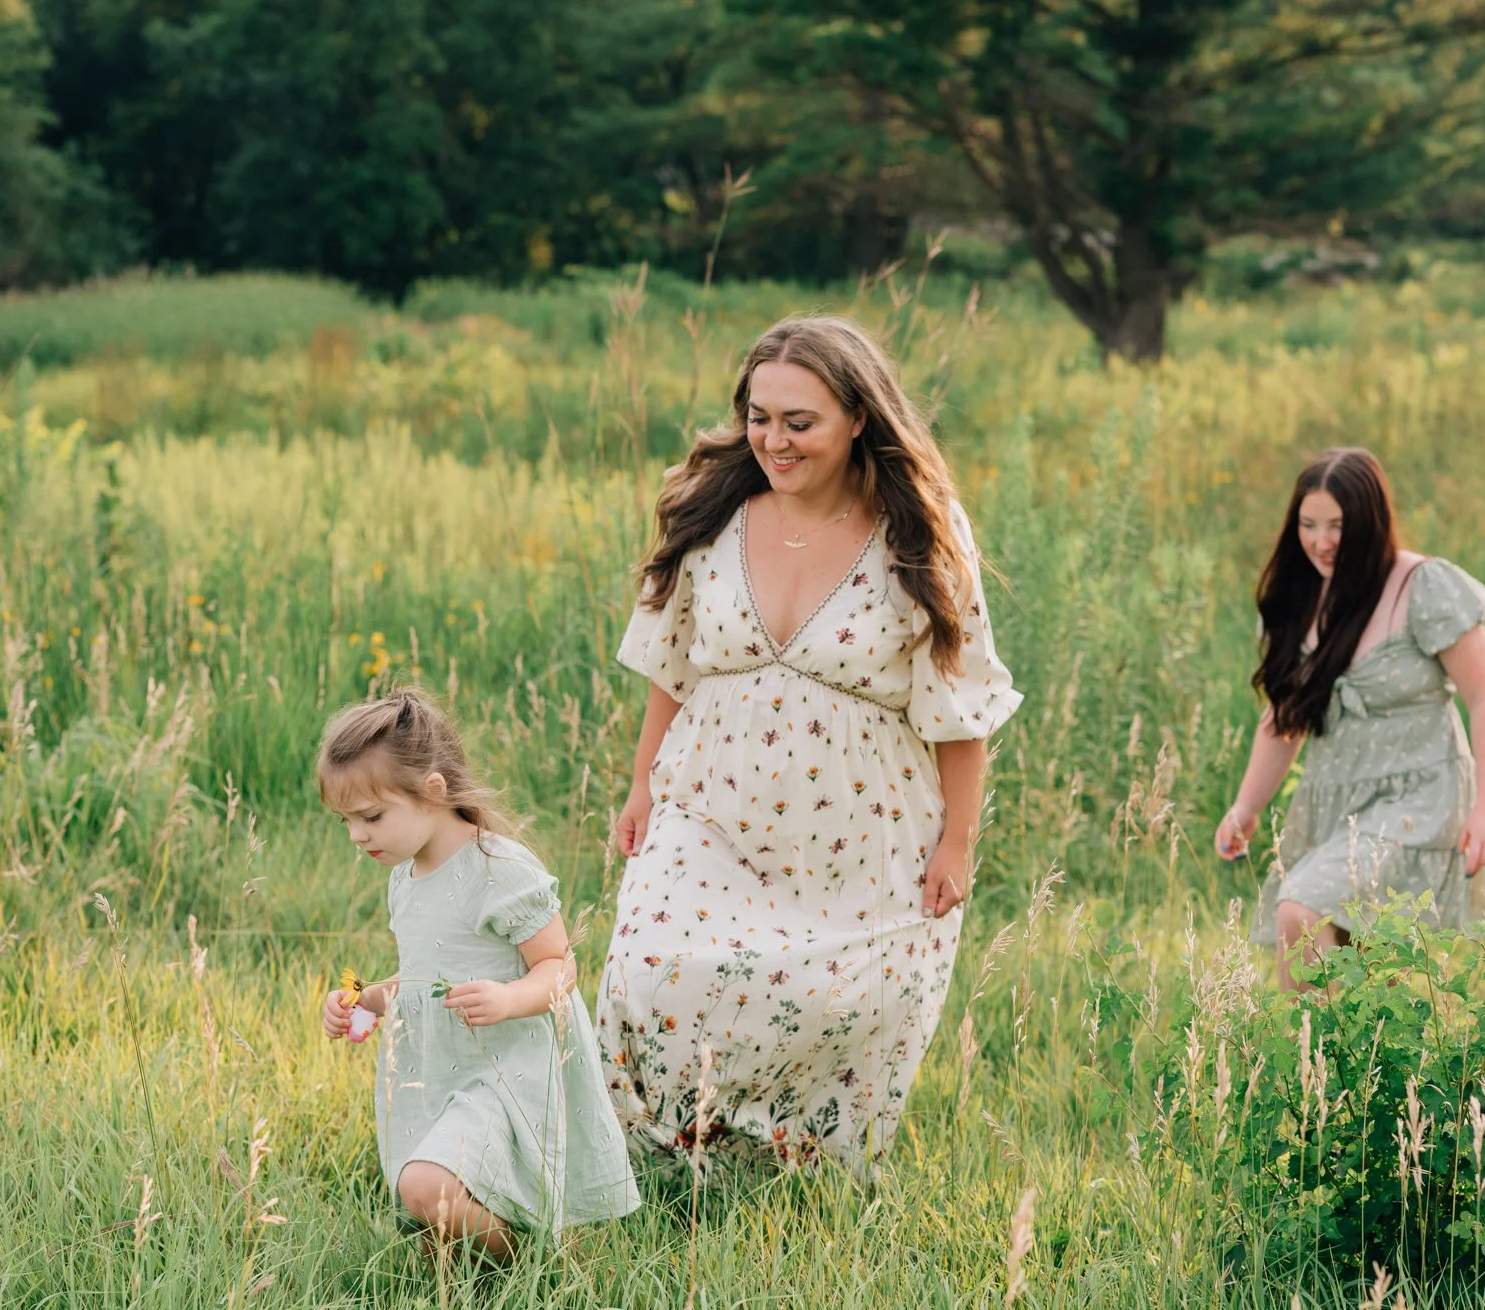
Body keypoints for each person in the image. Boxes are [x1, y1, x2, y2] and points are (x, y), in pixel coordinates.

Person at [601, 315, 1021, 1171]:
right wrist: (642, 785)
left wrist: (958, 840)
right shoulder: (713, 514)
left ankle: (784, 1169)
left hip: (861, 821)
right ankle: (652, 1158)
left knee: (834, 998)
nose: (774, 440)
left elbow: (961, 703)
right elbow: (669, 667)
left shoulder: (920, 534)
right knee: (647, 966)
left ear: (858, 416)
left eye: (801, 421)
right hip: (707, 799)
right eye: (760, 416)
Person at [317, 688, 639, 1259]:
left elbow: (559, 966)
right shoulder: (405, 876)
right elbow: (426, 977)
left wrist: (511, 998)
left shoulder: (497, 868)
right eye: (346, 821)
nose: (357, 836)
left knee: (424, 1184)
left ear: (433, 791)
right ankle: (480, 1251)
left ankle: (530, 1261)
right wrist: (365, 999)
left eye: (370, 817)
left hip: (507, 1064)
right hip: (443, 1069)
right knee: (427, 1190)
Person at [1214, 448, 1485, 992]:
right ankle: (1337, 1074)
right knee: (1369, 979)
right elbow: (1284, 717)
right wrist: (1245, 807)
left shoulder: (1421, 586)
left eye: (1337, 526)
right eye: (1308, 525)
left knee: (1298, 911)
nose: (1321, 541)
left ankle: (1314, 1075)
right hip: (1339, 801)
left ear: (1371, 523)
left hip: (1419, 799)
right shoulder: (1300, 598)